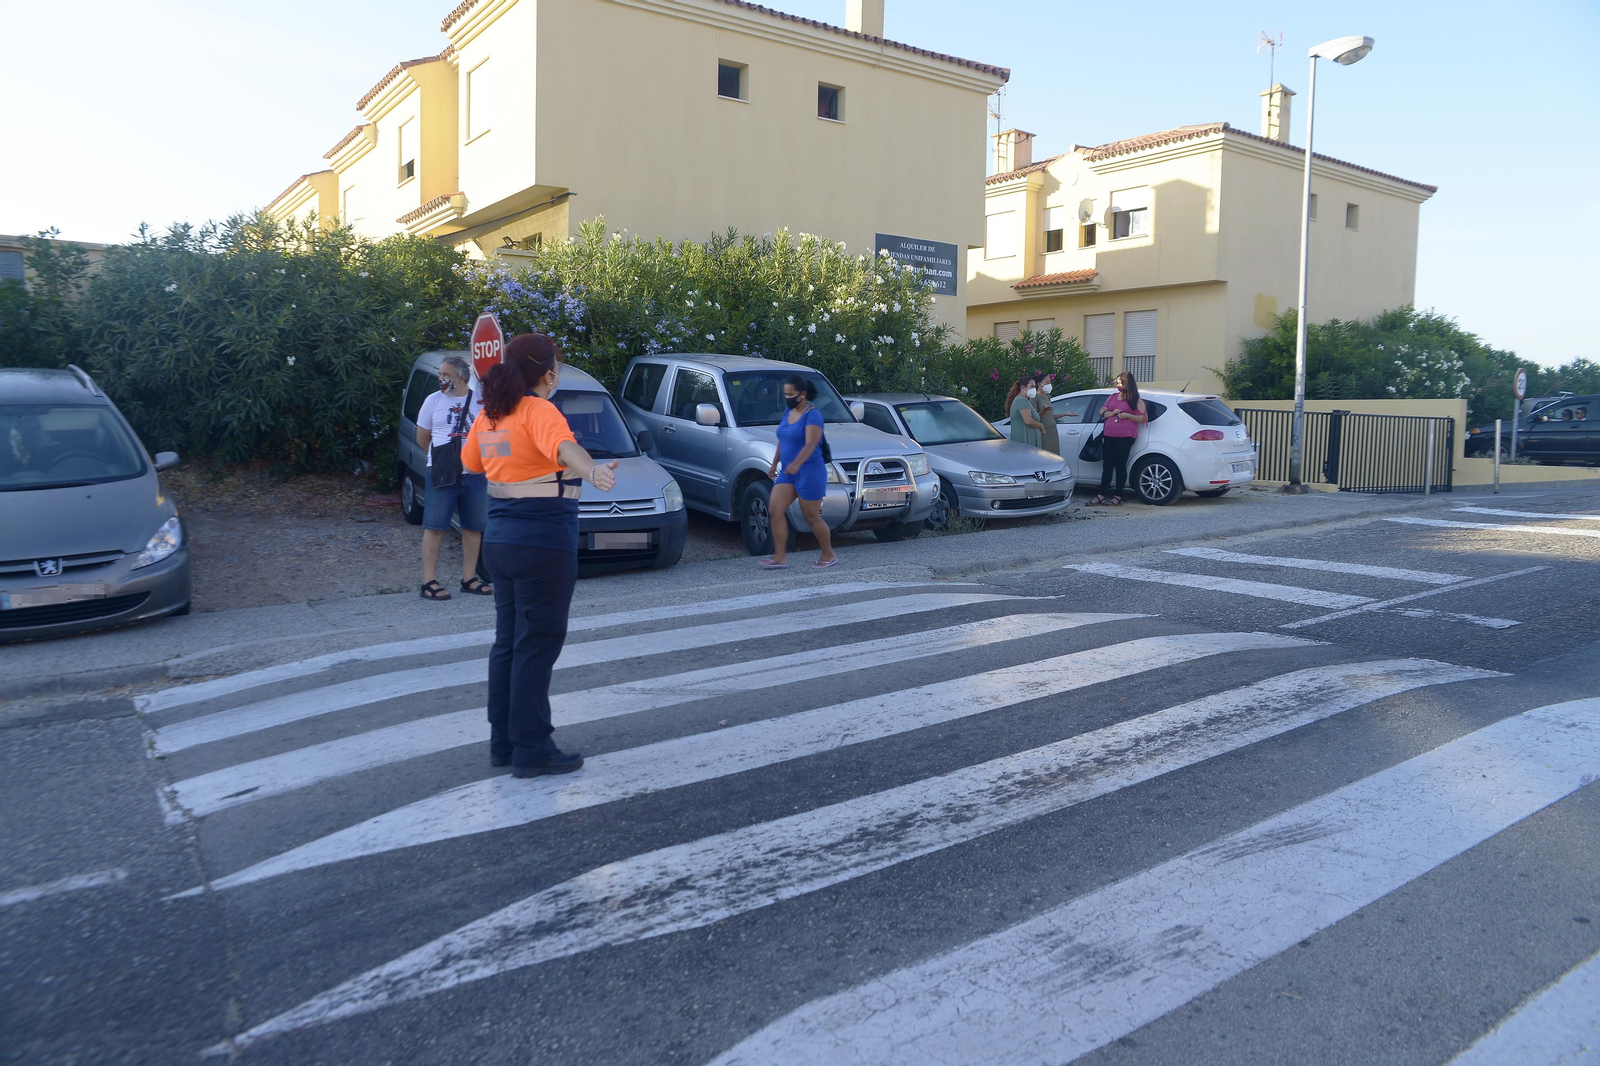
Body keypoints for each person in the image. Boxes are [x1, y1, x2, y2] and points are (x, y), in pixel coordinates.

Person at [463, 334, 617, 777]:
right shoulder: (539, 410)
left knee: (509, 643)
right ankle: (532, 748)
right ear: (548, 372)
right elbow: (564, 449)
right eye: (559, 366)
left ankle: (504, 743)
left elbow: (471, 463)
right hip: (543, 543)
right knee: (537, 646)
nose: (558, 374)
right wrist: (593, 471)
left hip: (500, 544)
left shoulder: (491, 415)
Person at [416, 353, 490, 600]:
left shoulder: (481, 402)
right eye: (440, 374)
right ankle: (429, 582)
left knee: (473, 527)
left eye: (446, 375)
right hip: (441, 473)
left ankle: (469, 578)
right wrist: (439, 460)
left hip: (475, 473)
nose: (441, 379)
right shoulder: (432, 401)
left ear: (463, 378)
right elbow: (422, 437)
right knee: (435, 526)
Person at [761, 375, 838, 569]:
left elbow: (812, 443)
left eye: (791, 394)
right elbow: (783, 439)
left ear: (802, 394)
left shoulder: (813, 415)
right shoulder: (788, 412)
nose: (787, 397)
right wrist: (774, 463)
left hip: (809, 471)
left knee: (810, 516)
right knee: (774, 509)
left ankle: (829, 554)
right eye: (785, 394)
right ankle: (780, 556)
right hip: (788, 471)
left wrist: (796, 463)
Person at [1092, 370, 1149, 505]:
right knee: (1107, 465)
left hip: (1125, 436)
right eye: (1117, 382)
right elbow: (1101, 411)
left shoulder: (1135, 399)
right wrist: (1111, 413)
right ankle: (1101, 494)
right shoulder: (1113, 396)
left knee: (1120, 465)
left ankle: (1118, 495)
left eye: (1120, 383)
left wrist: (1128, 416)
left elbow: (1144, 418)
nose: (1118, 385)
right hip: (1109, 435)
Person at [1007, 379, 1045, 449]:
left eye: (1034, 387)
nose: (1034, 389)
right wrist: (1041, 425)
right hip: (1025, 441)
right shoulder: (1021, 401)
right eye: (1032, 386)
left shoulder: (1023, 400)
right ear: (1023, 388)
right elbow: (1028, 421)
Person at [1032, 372, 1061, 457]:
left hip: (1052, 431)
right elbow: (1035, 418)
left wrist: (1064, 414)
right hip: (1043, 432)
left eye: (1050, 382)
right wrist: (1044, 410)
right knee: (1045, 455)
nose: (1049, 384)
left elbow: (1049, 416)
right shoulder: (1035, 398)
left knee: (1054, 454)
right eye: (1047, 382)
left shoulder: (1047, 396)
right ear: (1040, 384)